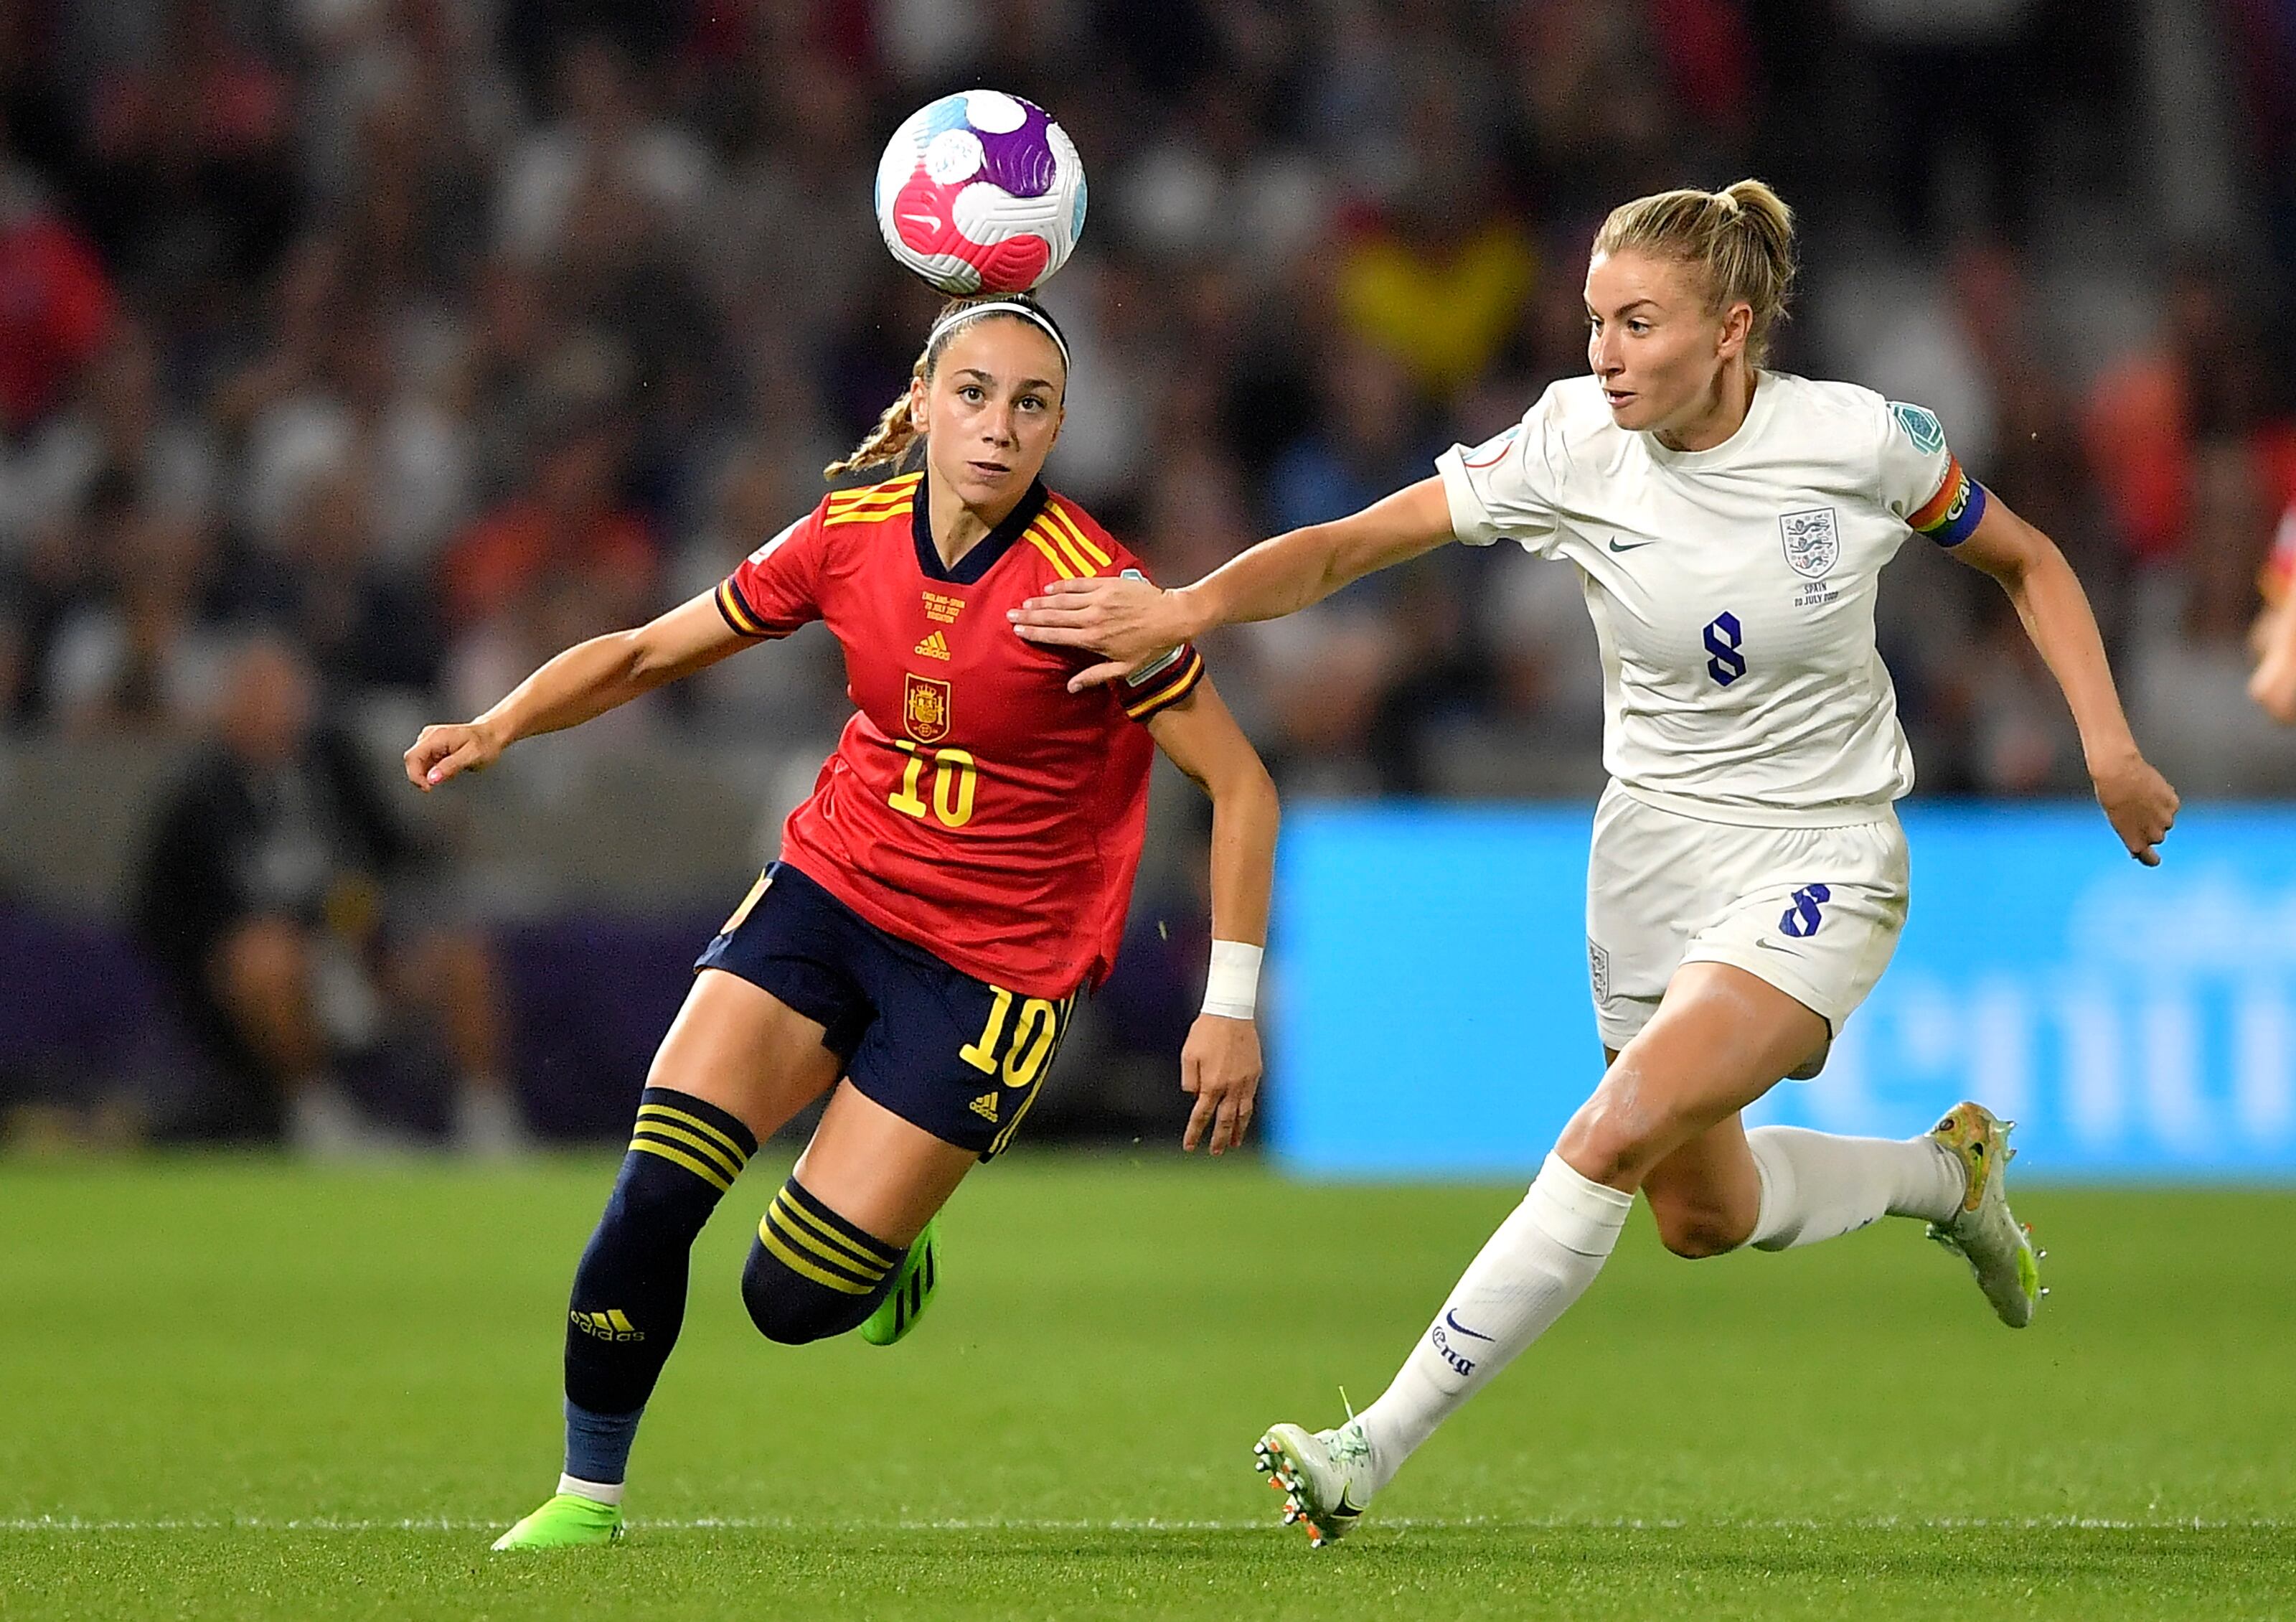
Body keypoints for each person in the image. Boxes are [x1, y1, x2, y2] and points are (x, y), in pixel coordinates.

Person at [1010, 182, 2180, 1545]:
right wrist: (1191, 602)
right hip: (1649, 857)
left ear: (1731, 330)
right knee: (1702, 1212)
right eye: (1592, 323)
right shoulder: (1572, 442)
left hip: (1822, 852)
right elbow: (1346, 548)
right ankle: (1948, 1179)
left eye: (1637, 324)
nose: (1602, 355)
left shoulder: (1858, 441)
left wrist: (2106, 743)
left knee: (1608, 1135)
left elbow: (2029, 561)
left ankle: (1362, 1452)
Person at [405, 291, 1280, 1551]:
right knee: (656, 1189)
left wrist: (1230, 1004)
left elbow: (1242, 783)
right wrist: (499, 723)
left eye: (1031, 405)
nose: (997, 427)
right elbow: (657, 650)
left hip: (994, 969)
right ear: (922, 401)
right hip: (833, 891)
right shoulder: (849, 531)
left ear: (1060, 428)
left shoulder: (1093, 591)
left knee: (788, 1299)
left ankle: (880, 1249)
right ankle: (585, 1501)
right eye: (973, 394)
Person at [135, 634, 520, 1153]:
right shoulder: (199, 796)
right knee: (264, 957)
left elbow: (390, 857)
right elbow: (178, 912)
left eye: (286, 695)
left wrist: (436, 837)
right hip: (277, 970)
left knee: (461, 955)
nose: (279, 712)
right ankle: (319, 1116)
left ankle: (485, 1117)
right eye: (261, 697)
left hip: (362, 949)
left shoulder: (334, 764)